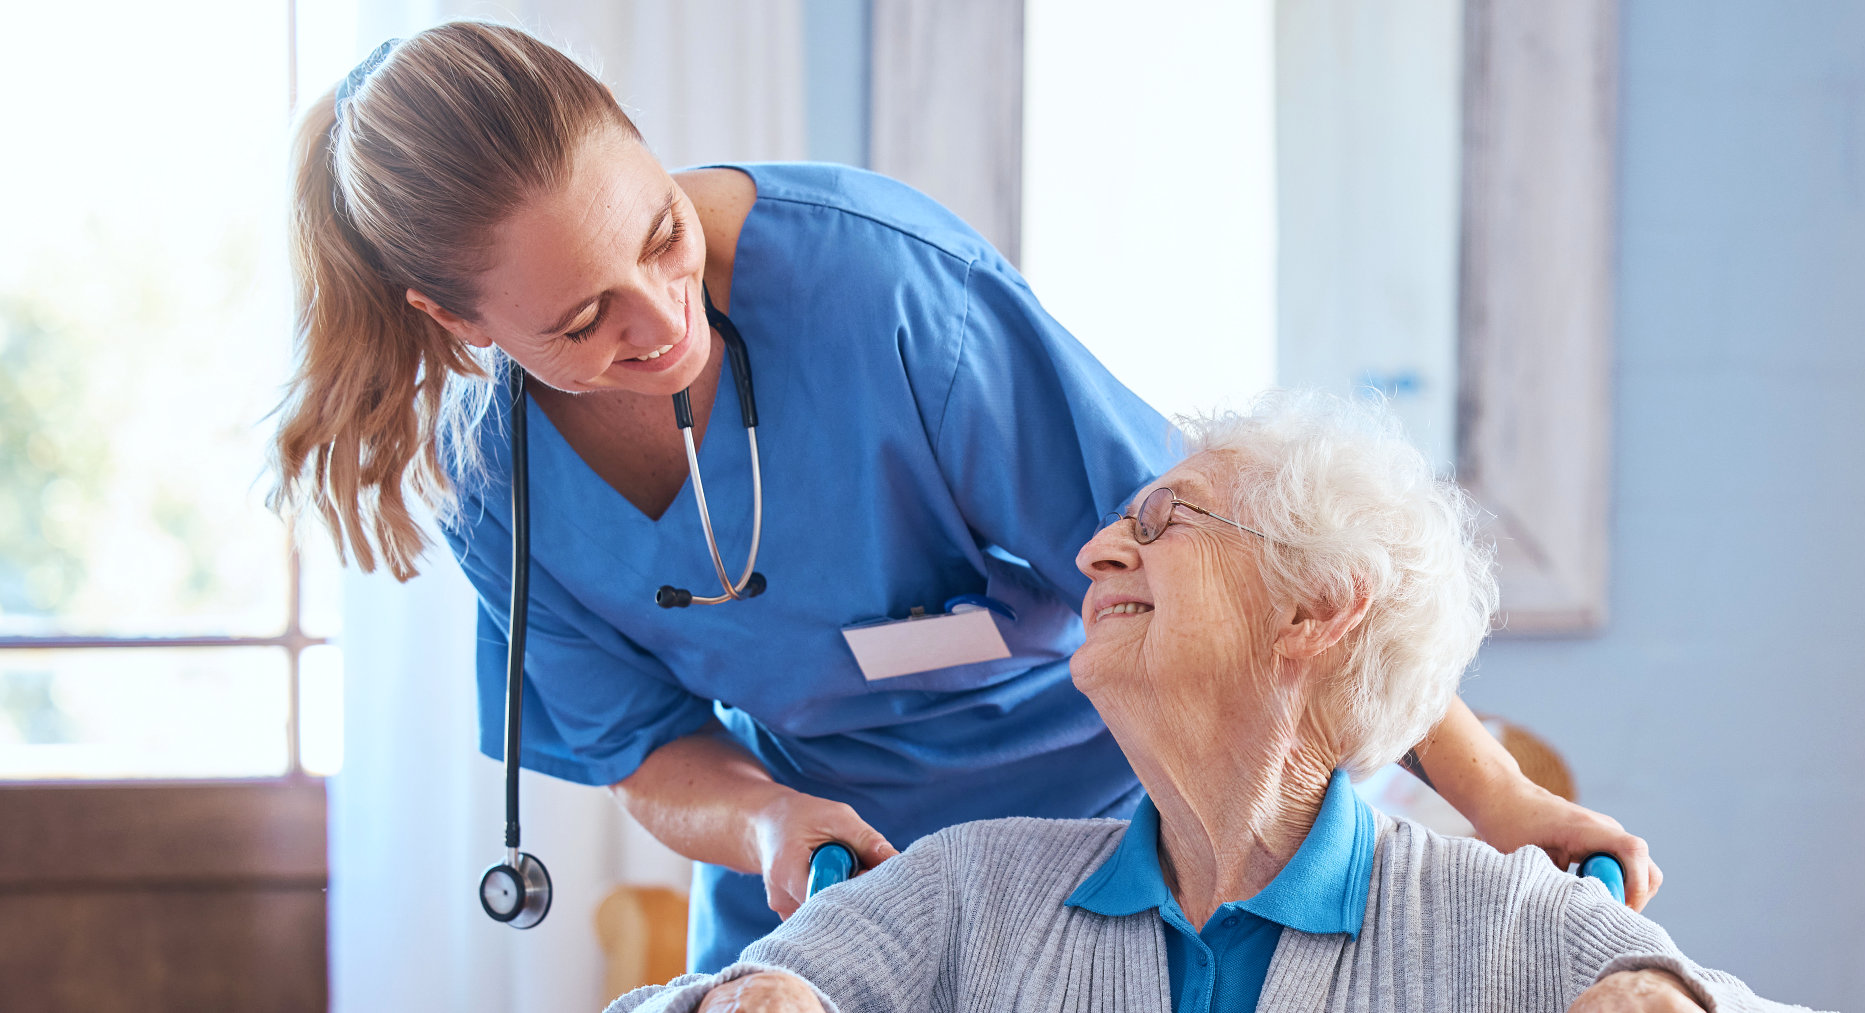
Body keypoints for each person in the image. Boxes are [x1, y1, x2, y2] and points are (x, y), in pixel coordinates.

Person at [273, 22, 1658, 972]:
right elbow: (645, 751)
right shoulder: (494, 483)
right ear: (460, 327)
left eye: (662, 236)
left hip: (1125, 825)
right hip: (840, 878)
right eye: (584, 322)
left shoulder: (883, 293)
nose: (660, 322)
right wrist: (765, 822)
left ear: (645, 145)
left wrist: (1494, 797)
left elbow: (1249, 564)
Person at [610, 392, 1811, 1013]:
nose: (1090, 552)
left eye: (1160, 523)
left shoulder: (1496, 921)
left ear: (1314, 608)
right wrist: (748, 993)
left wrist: (1660, 993)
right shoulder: (972, 887)